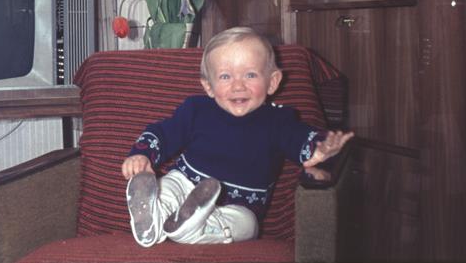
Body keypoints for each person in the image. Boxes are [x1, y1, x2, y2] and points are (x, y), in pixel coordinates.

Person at [121, 27, 354, 247]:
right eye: (225, 77)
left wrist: (320, 149)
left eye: (250, 75)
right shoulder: (196, 109)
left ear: (272, 82)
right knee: (168, 186)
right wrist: (142, 155)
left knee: (248, 225)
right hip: (186, 182)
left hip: (238, 206)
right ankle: (155, 216)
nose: (238, 86)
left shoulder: (279, 121)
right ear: (208, 86)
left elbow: (301, 138)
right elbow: (163, 133)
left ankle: (191, 228)